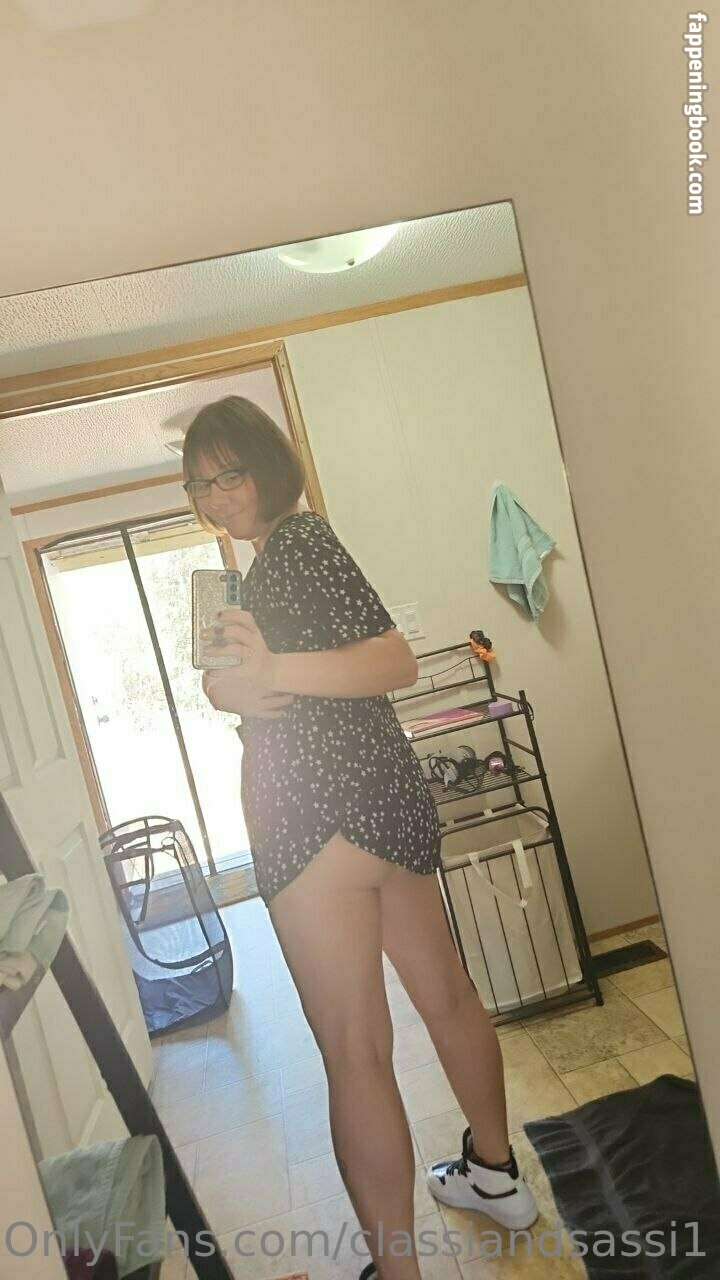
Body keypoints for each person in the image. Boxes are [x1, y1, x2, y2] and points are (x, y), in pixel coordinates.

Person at [183, 396, 538, 1280]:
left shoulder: (300, 541)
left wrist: (267, 670)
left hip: (313, 818)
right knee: (445, 996)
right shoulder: (271, 566)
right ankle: (495, 1176)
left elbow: (391, 660)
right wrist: (236, 687)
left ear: (269, 466)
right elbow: (284, 687)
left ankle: (399, 1270)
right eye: (200, 484)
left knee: (355, 1051)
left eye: (230, 475)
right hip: (382, 800)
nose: (217, 496)